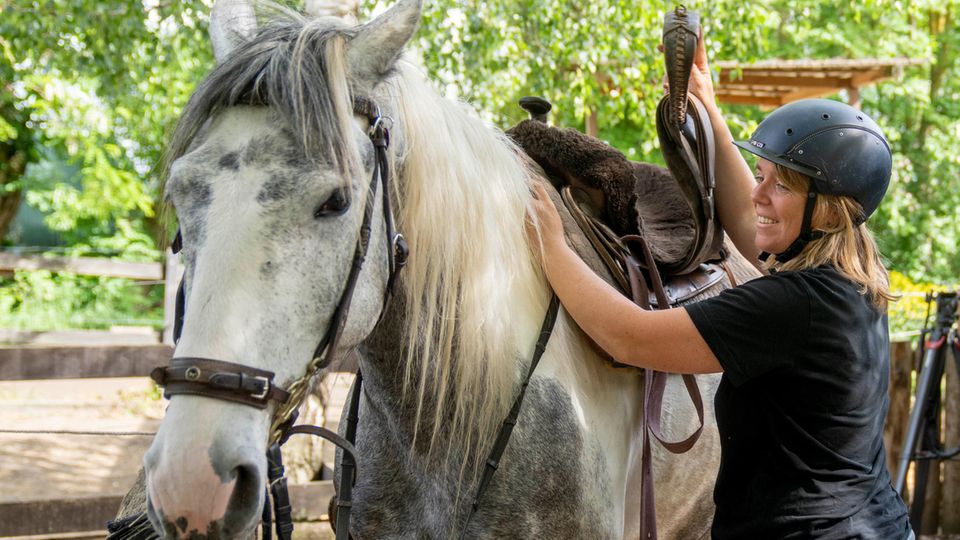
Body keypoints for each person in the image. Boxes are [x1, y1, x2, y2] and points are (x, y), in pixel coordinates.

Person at [526, 32, 913, 540]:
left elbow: (630, 336)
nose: (759, 194)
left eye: (780, 185)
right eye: (760, 174)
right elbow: (749, 225)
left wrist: (550, 246)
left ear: (827, 208)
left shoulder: (791, 306)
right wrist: (708, 109)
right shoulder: (853, 279)